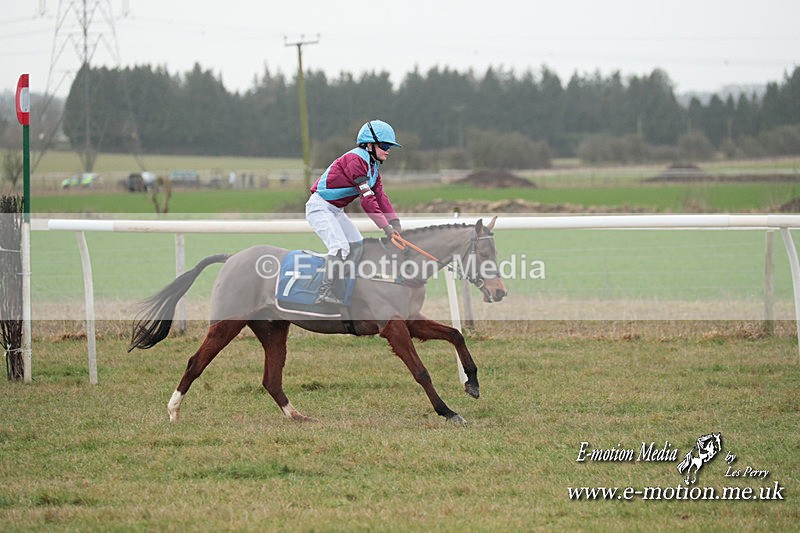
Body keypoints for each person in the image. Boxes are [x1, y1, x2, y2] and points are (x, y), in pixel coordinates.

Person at [305, 119, 403, 305]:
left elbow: (380, 196)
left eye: (389, 146)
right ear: (368, 145)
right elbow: (367, 201)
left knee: (358, 245)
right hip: (319, 208)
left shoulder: (373, 167)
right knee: (340, 247)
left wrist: (395, 223)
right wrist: (386, 228)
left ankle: (347, 286)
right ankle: (323, 292)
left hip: (336, 210)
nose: (388, 150)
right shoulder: (356, 160)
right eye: (384, 145)